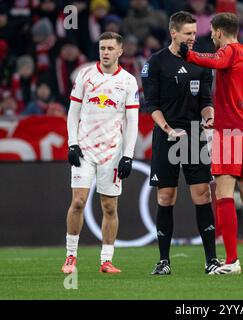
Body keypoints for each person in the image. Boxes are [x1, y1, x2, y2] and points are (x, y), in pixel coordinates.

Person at [178, 12, 243, 275]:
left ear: (220, 32)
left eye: (211, 32)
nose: (210, 36)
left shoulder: (229, 51)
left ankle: (232, 261)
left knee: (223, 196)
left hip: (231, 133)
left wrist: (188, 54)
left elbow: (213, 61)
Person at [141, 11, 220, 275]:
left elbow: (206, 100)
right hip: (167, 135)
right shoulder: (156, 62)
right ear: (173, 32)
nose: (192, 38)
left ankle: (211, 260)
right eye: (187, 33)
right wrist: (168, 129)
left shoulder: (202, 62)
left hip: (195, 134)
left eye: (193, 33)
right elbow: (151, 105)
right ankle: (163, 261)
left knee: (202, 194)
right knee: (166, 196)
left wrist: (209, 118)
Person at [61, 32, 139, 274]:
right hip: (84, 149)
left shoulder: (127, 81)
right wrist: (72, 144)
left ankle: (106, 260)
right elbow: (73, 113)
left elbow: (132, 120)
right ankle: (70, 257)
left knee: (109, 207)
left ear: (119, 51)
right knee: (78, 202)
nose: (104, 52)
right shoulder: (85, 75)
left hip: (112, 153)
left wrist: (128, 155)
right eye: (102, 47)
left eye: (109, 48)